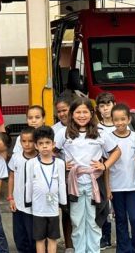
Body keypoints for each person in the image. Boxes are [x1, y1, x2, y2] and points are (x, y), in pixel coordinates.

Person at [56, 97, 121, 253]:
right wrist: (61, 164)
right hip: (73, 184)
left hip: (94, 183)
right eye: (78, 112)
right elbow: (52, 151)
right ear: (72, 114)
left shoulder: (100, 132)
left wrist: (104, 165)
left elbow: (116, 151)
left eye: (86, 112)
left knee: (93, 221)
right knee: (77, 222)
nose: (82, 115)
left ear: (92, 113)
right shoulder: (63, 133)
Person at [106, 104, 135, 253]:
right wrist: (108, 187)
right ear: (112, 120)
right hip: (116, 187)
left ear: (129, 119)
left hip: (132, 186)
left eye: (123, 119)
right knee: (121, 219)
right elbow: (107, 165)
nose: (120, 122)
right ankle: (123, 248)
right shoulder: (108, 137)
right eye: (116, 119)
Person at [24, 126, 67, 253]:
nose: (44, 146)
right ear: (36, 146)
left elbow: (62, 184)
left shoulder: (59, 163)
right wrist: (28, 201)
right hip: (38, 209)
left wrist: (63, 202)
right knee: (40, 239)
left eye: (47, 143)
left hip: (53, 209)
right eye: (41, 143)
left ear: (53, 144)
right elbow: (29, 184)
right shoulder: (31, 163)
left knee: (53, 239)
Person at [7, 127, 37, 253]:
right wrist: (10, 197)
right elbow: (11, 177)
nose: (27, 144)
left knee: (33, 236)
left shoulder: (40, 158)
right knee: (19, 236)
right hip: (18, 204)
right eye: (24, 141)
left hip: (35, 206)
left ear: (36, 142)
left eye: (30, 141)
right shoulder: (16, 157)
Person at [51, 96, 73, 252]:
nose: (62, 114)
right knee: (66, 211)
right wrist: (61, 164)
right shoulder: (54, 130)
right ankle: (69, 244)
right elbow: (49, 153)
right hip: (62, 178)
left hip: (82, 177)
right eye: (59, 111)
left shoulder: (81, 125)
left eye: (64, 110)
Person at [95, 92, 116, 249]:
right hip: (103, 172)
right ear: (98, 109)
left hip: (122, 172)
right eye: (102, 106)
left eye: (108, 105)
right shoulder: (96, 128)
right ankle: (105, 237)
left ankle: (123, 237)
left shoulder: (123, 123)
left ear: (114, 105)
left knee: (121, 209)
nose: (105, 109)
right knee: (104, 206)